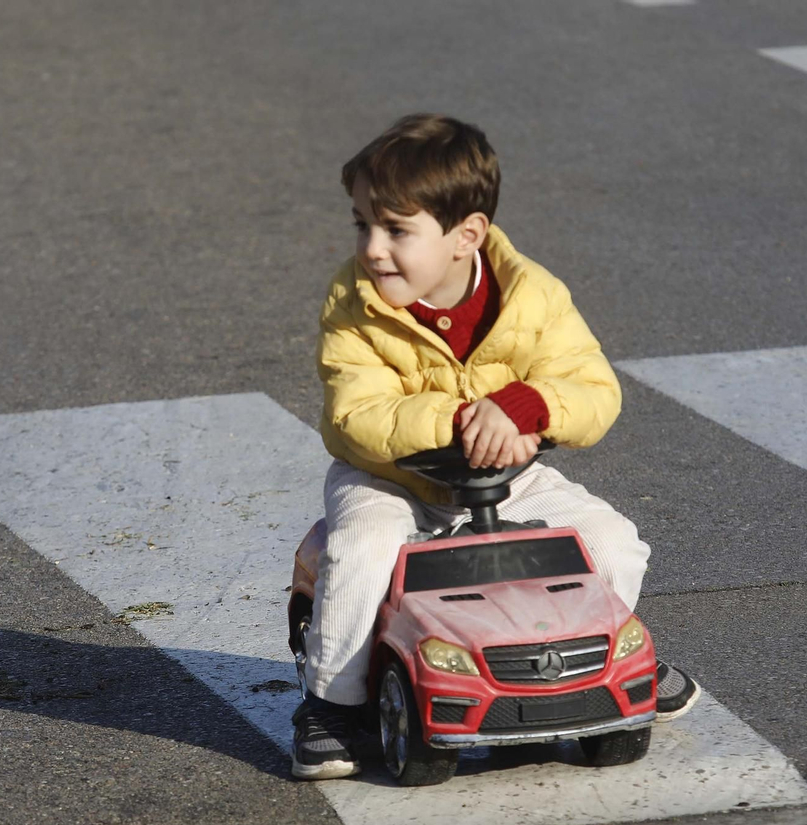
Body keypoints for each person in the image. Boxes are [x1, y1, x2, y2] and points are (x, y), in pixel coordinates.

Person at [294, 113, 698, 780]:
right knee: (363, 547)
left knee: (611, 538)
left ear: (467, 236)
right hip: (389, 479)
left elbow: (594, 388)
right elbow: (355, 414)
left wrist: (528, 406)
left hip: (507, 477)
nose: (371, 247)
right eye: (362, 224)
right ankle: (333, 703)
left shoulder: (532, 296)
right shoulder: (356, 302)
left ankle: (600, 649)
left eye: (396, 230)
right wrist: (458, 419)